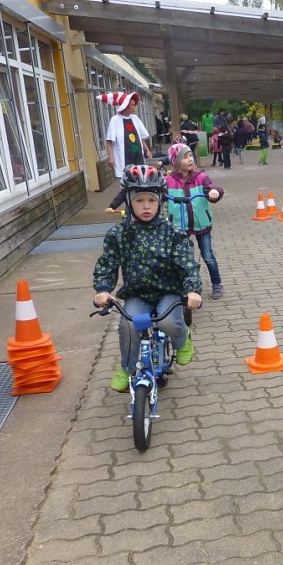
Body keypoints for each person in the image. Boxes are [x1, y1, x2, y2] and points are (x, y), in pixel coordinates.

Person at [93, 164, 202, 393]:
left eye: (151, 200)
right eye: (139, 200)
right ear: (129, 201)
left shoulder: (173, 233)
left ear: (160, 201)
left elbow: (187, 265)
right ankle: (127, 367)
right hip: (137, 293)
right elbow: (108, 264)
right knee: (129, 325)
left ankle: (182, 339)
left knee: (168, 322)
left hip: (168, 292)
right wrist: (103, 289)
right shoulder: (119, 234)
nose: (146, 206)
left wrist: (193, 290)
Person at [164, 143, 226, 300]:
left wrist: (213, 192)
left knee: (208, 255)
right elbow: (156, 194)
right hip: (179, 225)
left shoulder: (201, 178)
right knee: (185, 257)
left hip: (201, 223)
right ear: (175, 161)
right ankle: (188, 287)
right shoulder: (168, 181)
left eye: (191, 155)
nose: (190, 159)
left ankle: (217, 284)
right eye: (185, 157)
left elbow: (213, 187)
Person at [100, 91, 154, 185]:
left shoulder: (135, 118)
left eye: (134, 104)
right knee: (127, 182)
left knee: (141, 178)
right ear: (125, 105)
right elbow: (109, 141)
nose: (134, 107)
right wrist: (111, 159)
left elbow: (140, 137)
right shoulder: (115, 120)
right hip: (124, 158)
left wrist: (147, 150)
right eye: (131, 105)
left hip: (138, 156)